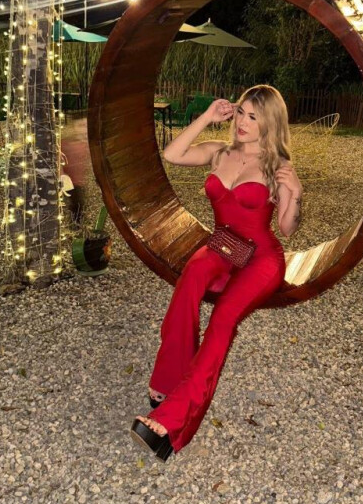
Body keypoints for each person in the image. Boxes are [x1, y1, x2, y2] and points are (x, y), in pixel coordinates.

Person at [130, 85, 303, 462]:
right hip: (222, 246)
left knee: (223, 319)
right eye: (241, 112)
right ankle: (167, 380)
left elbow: (287, 229)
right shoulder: (218, 152)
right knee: (189, 282)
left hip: (261, 259)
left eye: (254, 117)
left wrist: (295, 194)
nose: (243, 122)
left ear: (270, 123)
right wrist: (207, 117)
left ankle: (171, 422)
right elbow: (172, 154)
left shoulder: (276, 165)